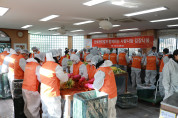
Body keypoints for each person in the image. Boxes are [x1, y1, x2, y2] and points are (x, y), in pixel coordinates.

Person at [40, 50, 68, 117]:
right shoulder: (56, 66)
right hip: (52, 95)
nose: (59, 58)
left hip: (44, 94)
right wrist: (67, 75)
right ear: (54, 57)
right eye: (58, 57)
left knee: (45, 114)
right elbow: (64, 79)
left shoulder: (43, 65)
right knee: (54, 115)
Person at [22, 53, 45, 118]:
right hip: (32, 90)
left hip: (24, 88)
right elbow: (40, 79)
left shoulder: (27, 64)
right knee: (34, 108)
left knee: (27, 107)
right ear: (40, 60)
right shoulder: (37, 66)